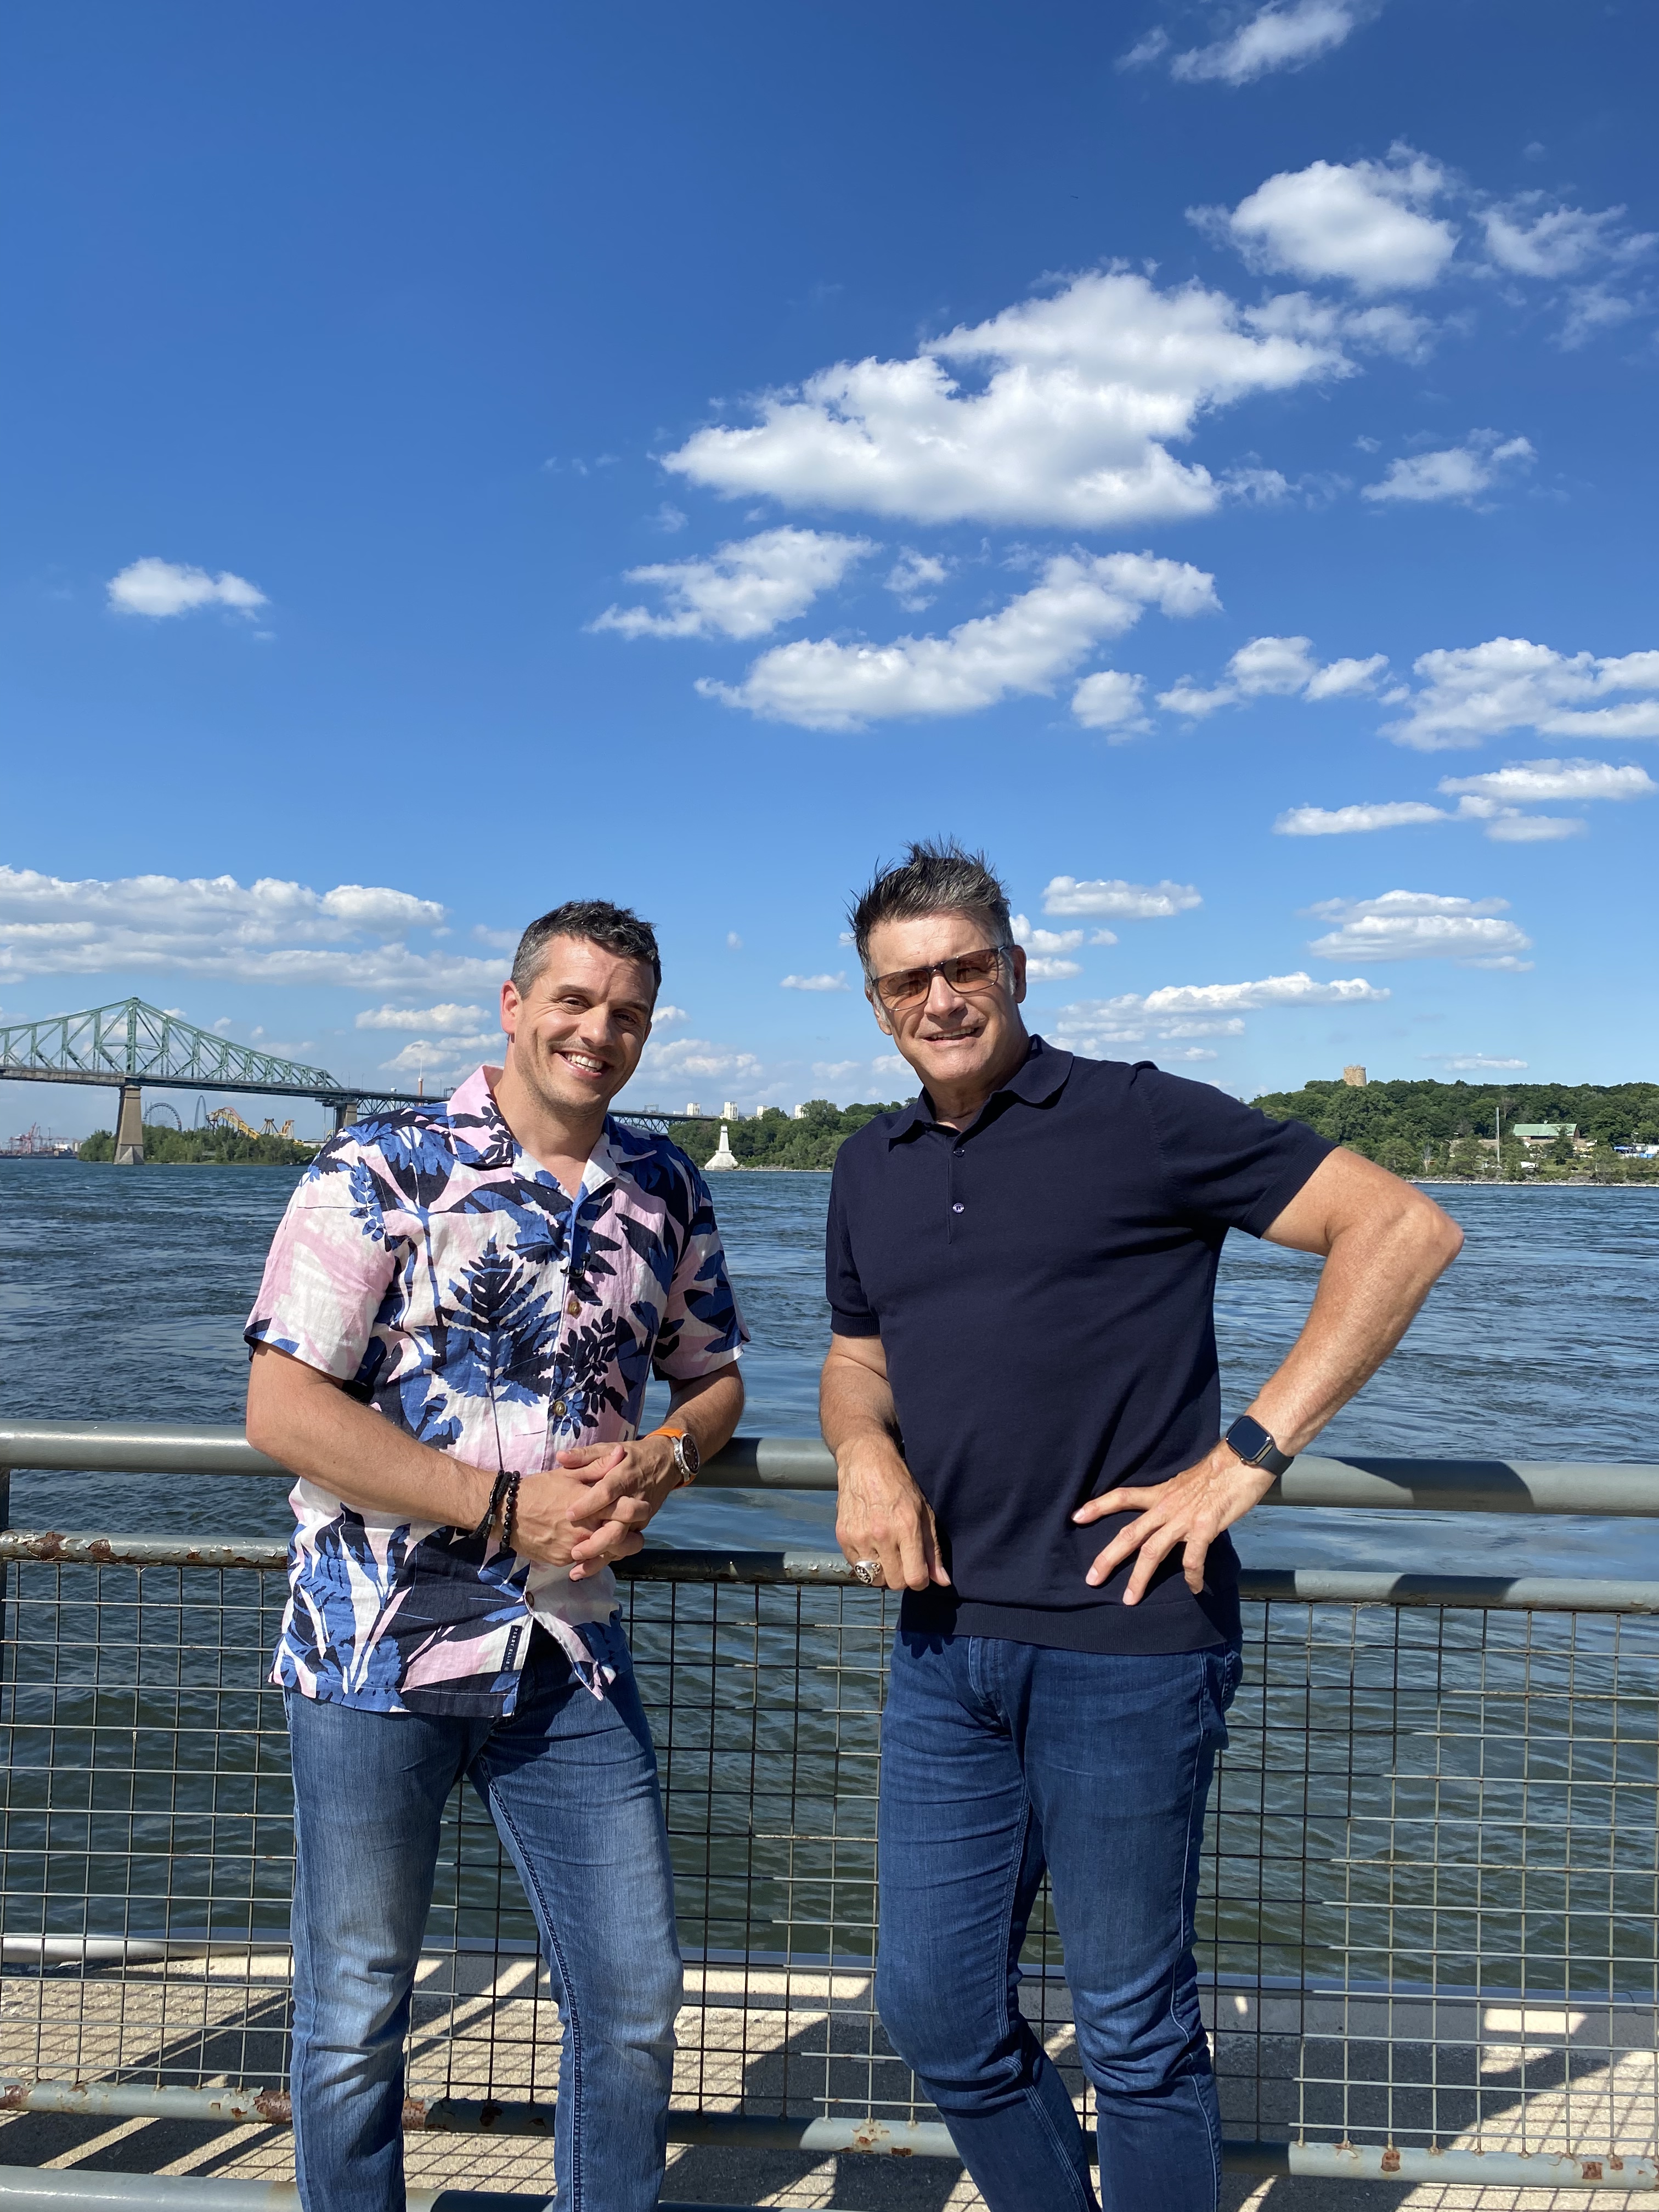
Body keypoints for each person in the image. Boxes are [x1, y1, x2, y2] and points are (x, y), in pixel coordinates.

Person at [819, 840, 1463, 2212]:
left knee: (1133, 2030)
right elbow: (859, 1355)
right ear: (875, 1005)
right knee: (934, 2007)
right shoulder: (867, 1165)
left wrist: (1248, 1459)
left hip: (1129, 1640)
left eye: (963, 968)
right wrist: (862, 1450)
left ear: (1015, 968)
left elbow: (1400, 1230)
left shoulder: (1138, 1115)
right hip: (939, 1644)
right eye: (905, 983)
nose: (938, 1000)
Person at [244, 899, 746, 2212]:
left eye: (627, 1013)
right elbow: (282, 1408)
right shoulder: (380, 1163)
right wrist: (500, 1507)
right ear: (513, 1005)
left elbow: (714, 1381)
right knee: (355, 2010)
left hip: (569, 1645)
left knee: (633, 1996)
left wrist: (667, 1457)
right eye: (572, 1001)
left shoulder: (664, 1184)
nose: (599, 1031)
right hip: (373, 1644)